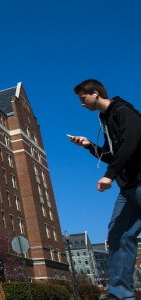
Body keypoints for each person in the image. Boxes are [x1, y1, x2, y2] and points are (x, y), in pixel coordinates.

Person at [70, 79, 141, 300]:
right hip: (128, 188)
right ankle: (120, 295)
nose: (82, 104)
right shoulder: (105, 120)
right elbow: (111, 155)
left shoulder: (122, 110)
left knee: (121, 235)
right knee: (118, 235)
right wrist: (89, 145)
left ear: (96, 94)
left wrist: (109, 175)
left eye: (83, 99)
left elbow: (133, 142)